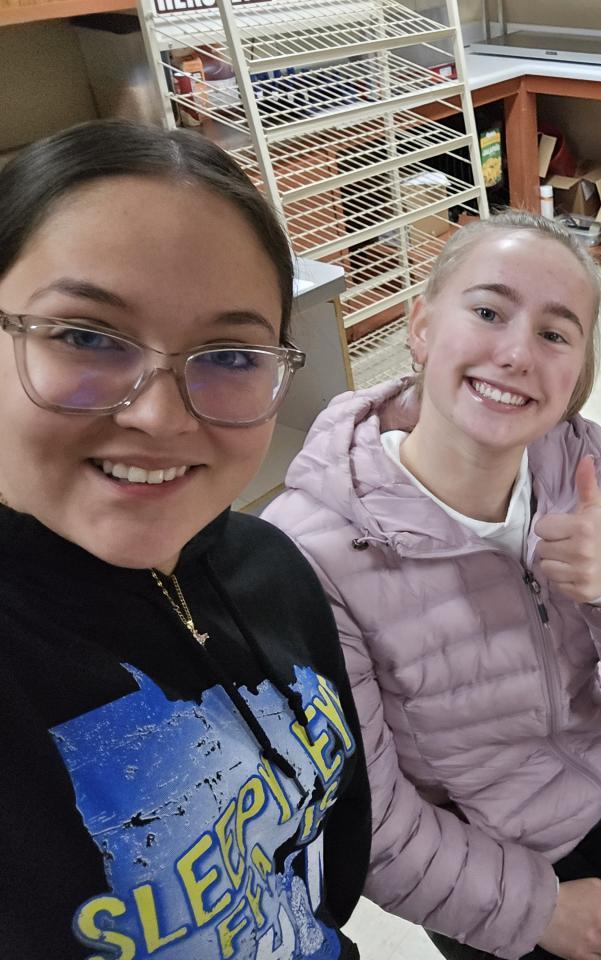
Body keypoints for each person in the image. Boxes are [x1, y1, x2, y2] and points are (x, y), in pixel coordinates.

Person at [262, 212, 601, 960]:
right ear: (422, 326)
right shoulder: (314, 550)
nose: (516, 354)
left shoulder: (583, 466)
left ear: (577, 376)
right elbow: (369, 819)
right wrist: (538, 911)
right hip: (485, 858)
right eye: (488, 312)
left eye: (555, 334)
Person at [0, 120, 371, 958]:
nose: (160, 416)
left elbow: (332, 859)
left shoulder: (272, 568)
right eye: (86, 336)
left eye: (230, 354)